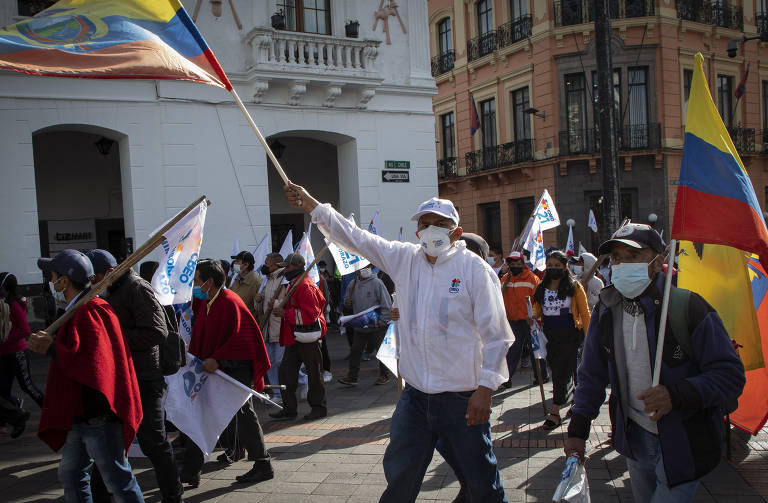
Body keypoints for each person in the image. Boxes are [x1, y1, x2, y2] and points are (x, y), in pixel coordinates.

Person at [284, 184, 513, 503]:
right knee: (401, 474)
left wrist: (485, 390)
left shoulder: (475, 271)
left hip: (462, 398)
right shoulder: (405, 259)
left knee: (481, 481)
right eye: (424, 223)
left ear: (456, 232)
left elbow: (497, 335)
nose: (430, 229)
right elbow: (358, 238)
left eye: (439, 224)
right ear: (417, 230)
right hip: (416, 396)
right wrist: (313, 205)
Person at [565, 223, 746, 502]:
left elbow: (730, 376)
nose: (622, 265)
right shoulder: (606, 310)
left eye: (633, 256)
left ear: (658, 261)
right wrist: (578, 429)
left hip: (684, 440)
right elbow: (591, 375)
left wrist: (676, 394)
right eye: (616, 258)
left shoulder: (689, 307)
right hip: (634, 438)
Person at [27, 249, 144, 503]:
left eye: (53, 276)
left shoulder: (91, 311)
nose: (52, 282)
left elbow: (94, 366)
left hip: (98, 416)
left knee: (119, 482)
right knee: (71, 475)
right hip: (80, 416)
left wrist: (51, 347)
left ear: (64, 281)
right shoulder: (77, 310)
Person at [85, 249, 183, 503]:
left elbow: (156, 331)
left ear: (107, 273)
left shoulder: (136, 287)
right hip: (119, 377)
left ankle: (173, 494)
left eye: (93, 277)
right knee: (110, 441)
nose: (91, 282)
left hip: (144, 377)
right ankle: (102, 493)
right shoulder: (109, 289)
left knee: (153, 441)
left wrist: (115, 340)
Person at [180, 259, 273, 486]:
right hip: (214, 369)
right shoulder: (208, 303)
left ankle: (263, 463)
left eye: (196, 281)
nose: (194, 286)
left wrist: (219, 360)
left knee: (243, 413)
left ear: (209, 282)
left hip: (235, 369)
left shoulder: (230, 302)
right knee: (201, 411)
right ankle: (192, 469)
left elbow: (244, 341)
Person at [532, 250, 590, 431]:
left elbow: (585, 312)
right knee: (562, 369)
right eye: (550, 266)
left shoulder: (574, 286)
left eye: (557, 266)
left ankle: (555, 411)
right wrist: (532, 316)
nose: (553, 269)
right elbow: (537, 310)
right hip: (550, 335)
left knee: (561, 373)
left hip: (570, 334)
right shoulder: (542, 287)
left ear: (565, 267)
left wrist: (589, 338)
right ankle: (575, 400)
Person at [269, 253, 328, 421]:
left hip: (307, 337)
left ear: (296, 267)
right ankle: (289, 408)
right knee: (285, 372)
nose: (284, 270)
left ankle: (318, 407)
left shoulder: (305, 285)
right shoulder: (294, 284)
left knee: (314, 373)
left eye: (287, 267)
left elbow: (311, 315)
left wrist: (284, 313)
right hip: (294, 336)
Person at [338, 264, 393, 386]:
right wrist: (347, 302)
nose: (363, 270)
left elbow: (386, 303)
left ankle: (384, 375)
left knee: (381, 352)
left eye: (366, 267)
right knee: (355, 351)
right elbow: (348, 304)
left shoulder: (377, 283)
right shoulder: (353, 284)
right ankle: (352, 377)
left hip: (377, 325)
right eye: (360, 268)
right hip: (361, 326)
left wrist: (383, 321)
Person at [499, 252, 547, 389]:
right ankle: (506, 379)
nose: (515, 266)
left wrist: (535, 317)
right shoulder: (505, 280)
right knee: (512, 350)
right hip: (513, 321)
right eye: (512, 264)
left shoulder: (532, 279)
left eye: (518, 264)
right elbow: (498, 297)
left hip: (530, 321)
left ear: (523, 264)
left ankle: (541, 376)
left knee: (535, 349)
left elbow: (538, 300)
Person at [0, 272, 45, 409]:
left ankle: (49, 409)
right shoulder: (5, 303)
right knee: (3, 390)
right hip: (5, 353)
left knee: (27, 385)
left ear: (4, 287)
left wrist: (5, 338)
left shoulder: (13, 305)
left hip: (17, 353)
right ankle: (16, 408)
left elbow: (25, 330)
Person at [254, 252, 286, 402]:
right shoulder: (267, 281)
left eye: (267, 263)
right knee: (270, 363)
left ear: (275, 265)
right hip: (267, 328)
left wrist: (277, 304)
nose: (264, 266)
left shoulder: (284, 281)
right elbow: (260, 310)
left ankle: (302, 380)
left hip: (280, 328)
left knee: (281, 362)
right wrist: (258, 301)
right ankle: (277, 393)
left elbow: (288, 303)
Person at [230, 251, 263, 321]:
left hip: (247, 323)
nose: (234, 264)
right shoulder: (236, 278)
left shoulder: (257, 282)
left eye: (237, 261)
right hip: (234, 320)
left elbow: (259, 309)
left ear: (246, 265)